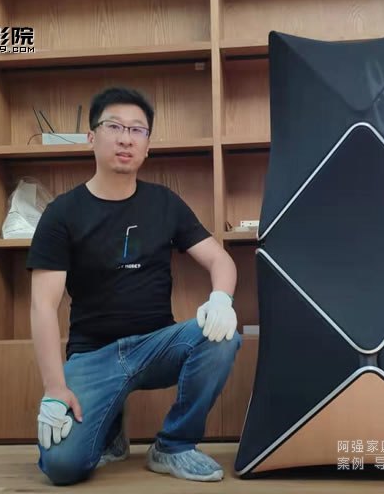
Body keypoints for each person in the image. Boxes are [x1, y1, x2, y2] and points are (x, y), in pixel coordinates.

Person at [27, 86, 241, 486]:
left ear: (147, 146)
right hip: (92, 356)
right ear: (91, 137)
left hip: (155, 346)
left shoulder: (165, 203)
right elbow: (42, 305)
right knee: (63, 467)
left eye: (137, 130)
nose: (125, 138)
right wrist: (54, 389)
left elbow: (220, 260)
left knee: (222, 335)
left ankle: (174, 445)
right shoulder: (61, 214)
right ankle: (110, 428)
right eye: (114, 126)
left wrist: (220, 299)